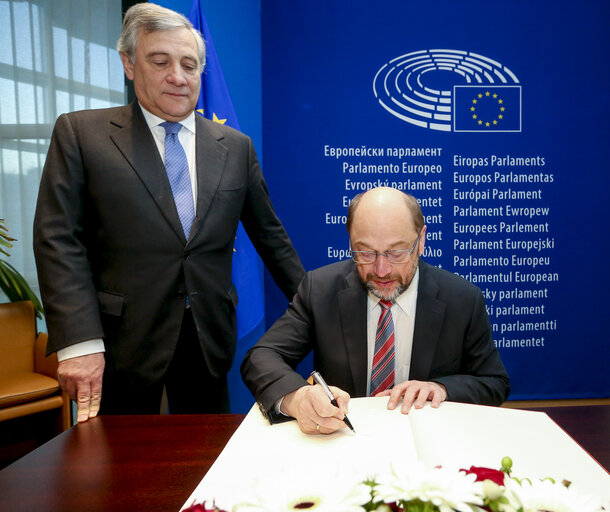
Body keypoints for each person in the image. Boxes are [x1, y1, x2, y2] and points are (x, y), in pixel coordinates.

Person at [33, 3, 304, 422]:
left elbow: (272, 239)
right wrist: (80, 343)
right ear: (128, 63)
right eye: (160, 62)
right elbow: (57, 241)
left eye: (189, 65)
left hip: (207, 338)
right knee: (118, 470)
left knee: (207, 464)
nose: (177, 77)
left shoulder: (235, 147)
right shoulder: (81, 135)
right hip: (118, 344)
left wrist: (318, 311)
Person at [241, 187, 509, 434]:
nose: (381, 270)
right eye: (365, 253)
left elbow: (494, 382)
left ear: (422, 240)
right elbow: (262, 356)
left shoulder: (461, 298)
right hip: (343, 438)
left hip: (429, 438)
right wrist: (296, 397)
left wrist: (441, 388)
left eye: (396, 253)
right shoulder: (320, 289)